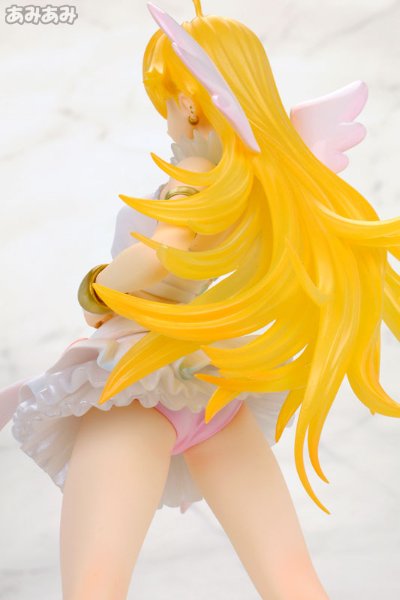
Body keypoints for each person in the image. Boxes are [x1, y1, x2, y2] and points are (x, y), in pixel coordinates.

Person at [2, 1, 400, 598]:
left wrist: (99, 285)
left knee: (93, 588)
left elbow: (163, 253)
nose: (165, 119)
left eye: (166, 100)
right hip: (211, 391)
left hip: (137, 386)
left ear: (189, 104)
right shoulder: (259, 174)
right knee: (293, 581)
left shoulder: (192, 171)